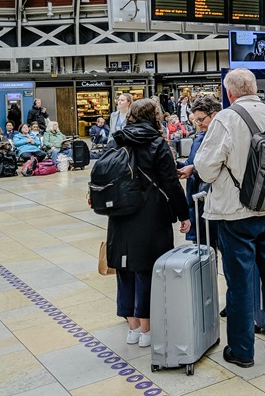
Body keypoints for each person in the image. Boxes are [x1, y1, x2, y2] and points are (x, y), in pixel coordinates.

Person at [193, 68, 265, 368]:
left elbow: (206, 167)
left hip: (237, 214)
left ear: (230, 93)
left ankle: (242, 351)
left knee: (239, 283)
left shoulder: (226, 118)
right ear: (254, 88)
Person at [105, 98, 190, 349]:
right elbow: (170, 183)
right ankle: (147, 329)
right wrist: (183, 214)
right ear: (154, 117)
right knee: (148, 268)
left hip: (120, 213)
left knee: (125, 266)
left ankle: (132, 328)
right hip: (151, 213)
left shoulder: (117, 139)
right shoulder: (157, 144)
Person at [177, 94, 221, 248]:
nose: (199, 124)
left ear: (214, 115)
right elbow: (192, 161)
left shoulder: (223, 138)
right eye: (196, 120)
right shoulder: (200, 136)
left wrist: (193, 169)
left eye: (201, 120)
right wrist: (178, 165)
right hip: (197, 202)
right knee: (203, 251)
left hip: (215, 203)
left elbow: (218, 166)